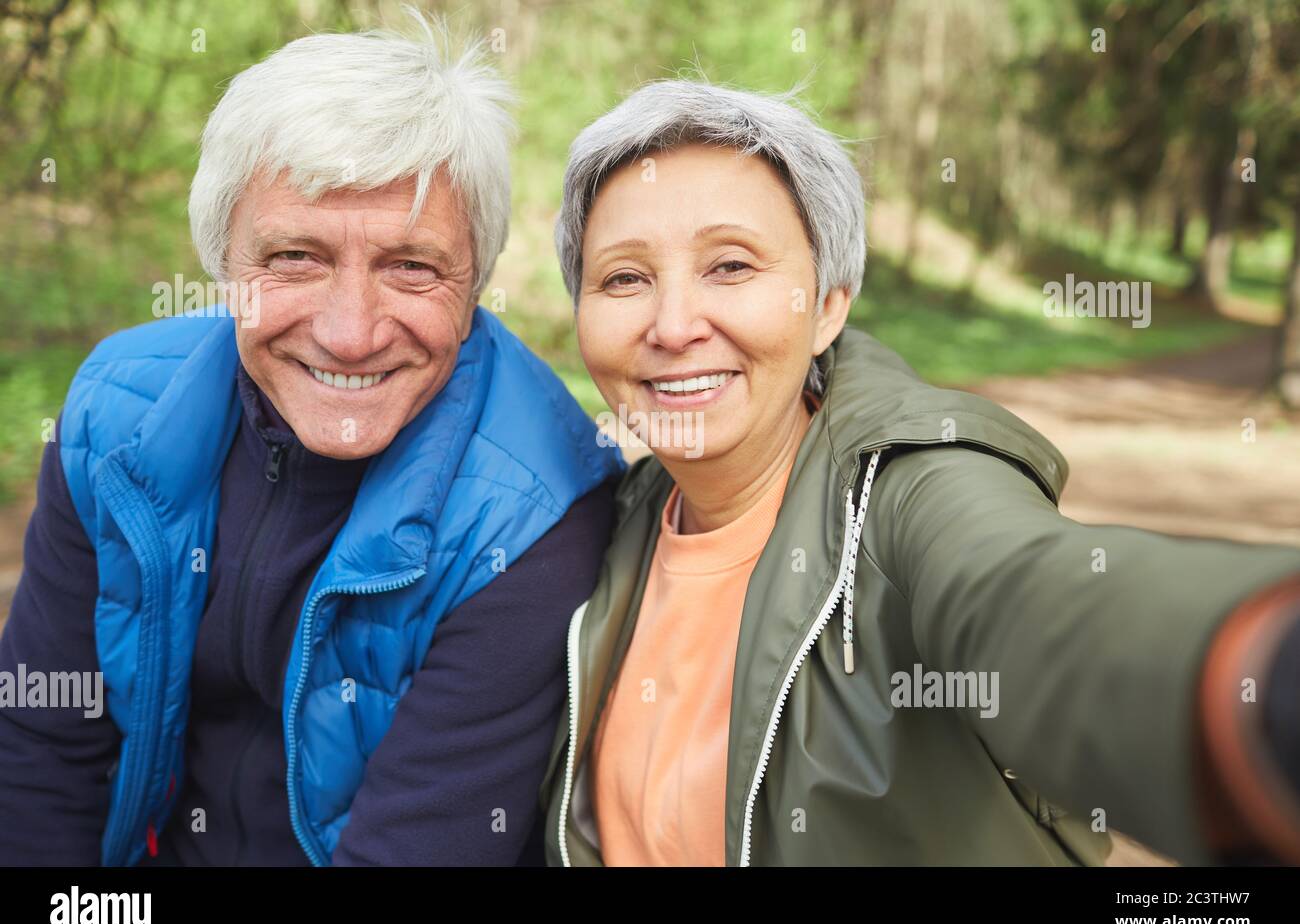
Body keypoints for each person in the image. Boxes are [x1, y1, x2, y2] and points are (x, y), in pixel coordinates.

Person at [539, 79, 1300, 866]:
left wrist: (1255, 676)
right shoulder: (614, 520)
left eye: (730, 266)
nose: (671, 325)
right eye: (625, 278)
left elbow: (1036, 599)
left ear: (828, 305)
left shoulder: (913, 490)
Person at [0, 13, 623, 867]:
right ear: (222, 259)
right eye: (295, 257)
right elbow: (42, 750)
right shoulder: (115, 413)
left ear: (476, 275)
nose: (351, 333)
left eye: (411, 266)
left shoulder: (534, 516)